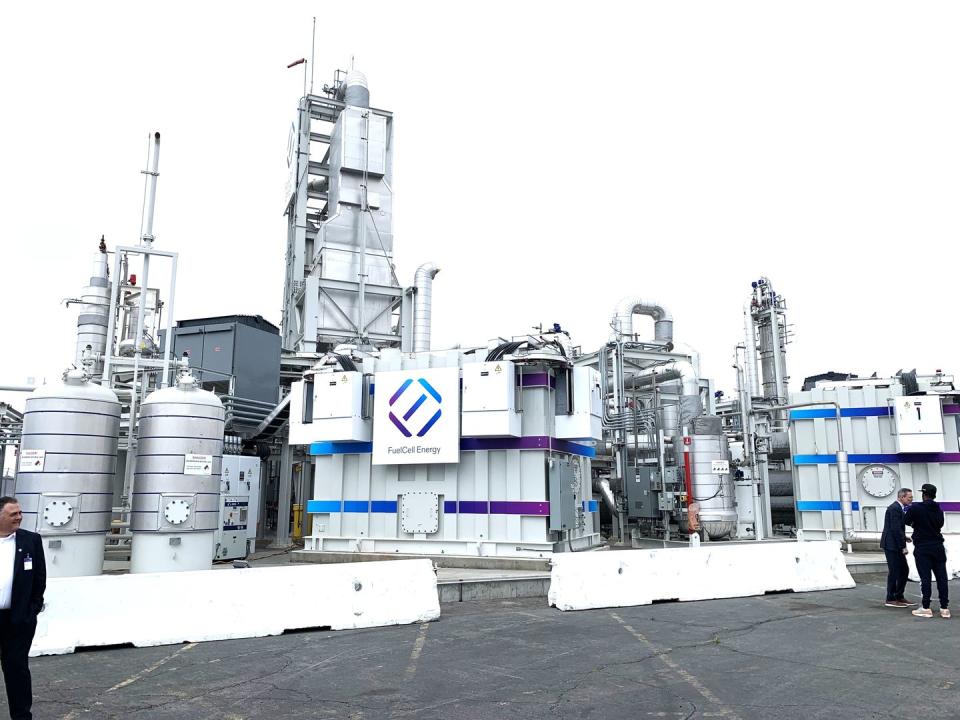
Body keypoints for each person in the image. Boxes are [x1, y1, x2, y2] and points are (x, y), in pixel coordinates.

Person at [0, 497, 45, 719]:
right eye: (13, 514)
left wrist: (32, 610)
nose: (19, 517)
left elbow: (40, 579)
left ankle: (21, 716)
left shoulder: (31, 541)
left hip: (19, 620)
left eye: (19, 513)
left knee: (17, 670)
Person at [904, 483, 950, 619]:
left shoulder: (916, 508)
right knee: (942, 577)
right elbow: (940, 524)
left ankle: (925, 607)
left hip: (923, 547)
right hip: (938, 546)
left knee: (925, 578)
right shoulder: (938, 509)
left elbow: (906, 520)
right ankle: (944, 608)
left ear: (923, 494)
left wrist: (916, 524)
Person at [880, 487, 915, 608]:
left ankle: (899, 596)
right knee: (894, 571)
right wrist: (903, 546)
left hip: (895, 542)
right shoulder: (894, 508)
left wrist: (904, 537)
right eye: (909, 497)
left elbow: (896, 528)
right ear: (902, 497)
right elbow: (895, 529)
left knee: (903, 570)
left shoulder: (898, 508)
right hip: (891, 545)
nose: (911, 499)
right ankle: (890, 598)